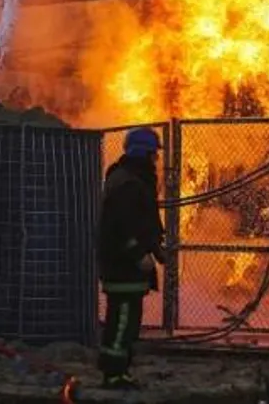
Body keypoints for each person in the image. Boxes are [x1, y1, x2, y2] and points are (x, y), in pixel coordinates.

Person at [97, 127, 166, 390]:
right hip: (123, 267)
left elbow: (143, 222)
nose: (156, 159)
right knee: (122, 322)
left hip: (126, 266)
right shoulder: (129, 183)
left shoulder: (132, 179)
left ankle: (120, 371)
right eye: (153, 154)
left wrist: (157, 250)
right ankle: (113, 375)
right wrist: (138, 254)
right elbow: (120, 227)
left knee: (126, 323)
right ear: (144, 153)